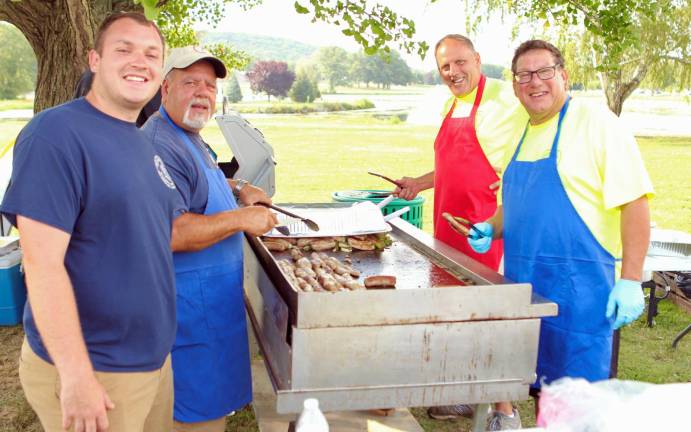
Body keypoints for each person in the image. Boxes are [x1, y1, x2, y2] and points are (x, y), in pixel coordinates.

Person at [0, 12, 179, 432]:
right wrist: (76, 375)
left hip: (150, 360)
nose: (140, 61)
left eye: (152, 54)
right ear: (94, 60)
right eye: (124, 49)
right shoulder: (56, 134)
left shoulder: (140, 141)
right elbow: (42, 266)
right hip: (97, 368)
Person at [465, 40, 652, 407]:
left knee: (575, 404)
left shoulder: (597, 124)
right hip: (525, 288)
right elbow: (515, 204)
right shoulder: (518, 132)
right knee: (535, 387)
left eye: (544, 72)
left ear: (563, 76)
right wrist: (492, 225)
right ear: (516, 84)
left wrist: (631, 279)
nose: (535, 82)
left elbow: (634, 201)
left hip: (579, 293)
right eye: (524, 75)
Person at [141, 46, 278, 432]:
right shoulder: (158, 144)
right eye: (190, 83)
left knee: (212, 413)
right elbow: (171, 231)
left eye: (210, 85)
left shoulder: (189, 135)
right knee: (192, 419)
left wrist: (239, 187)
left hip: (211, 308)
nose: (202, 92)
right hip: (186, 316)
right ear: (164, 88)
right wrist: (243, 218)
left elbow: (201, 183)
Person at [394, 34, 527, 429]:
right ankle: (466, 396)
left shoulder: (502, 104)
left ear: (477, 59)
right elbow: (455, 168)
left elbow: (516, 170)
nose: (453, 72)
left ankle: (504, 411)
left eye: (459, 62)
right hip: (448, 231)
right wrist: (419, 183)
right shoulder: (453, 105)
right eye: (445, 67)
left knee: (487, 315)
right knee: (454, 315)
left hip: (483, 231)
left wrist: (494, 223)